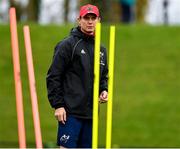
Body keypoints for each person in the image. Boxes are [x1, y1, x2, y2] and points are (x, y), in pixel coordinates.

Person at [46, 4, 108, 148]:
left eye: (93, 18)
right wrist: (58, 105)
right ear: (79, 20)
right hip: (70, 113)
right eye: (86, 18)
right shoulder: (67, 45)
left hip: (91, 115)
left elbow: (103, 77)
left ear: (99, 20)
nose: (90, 21)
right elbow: (53, 76)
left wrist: (103, 90)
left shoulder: (102, 49)